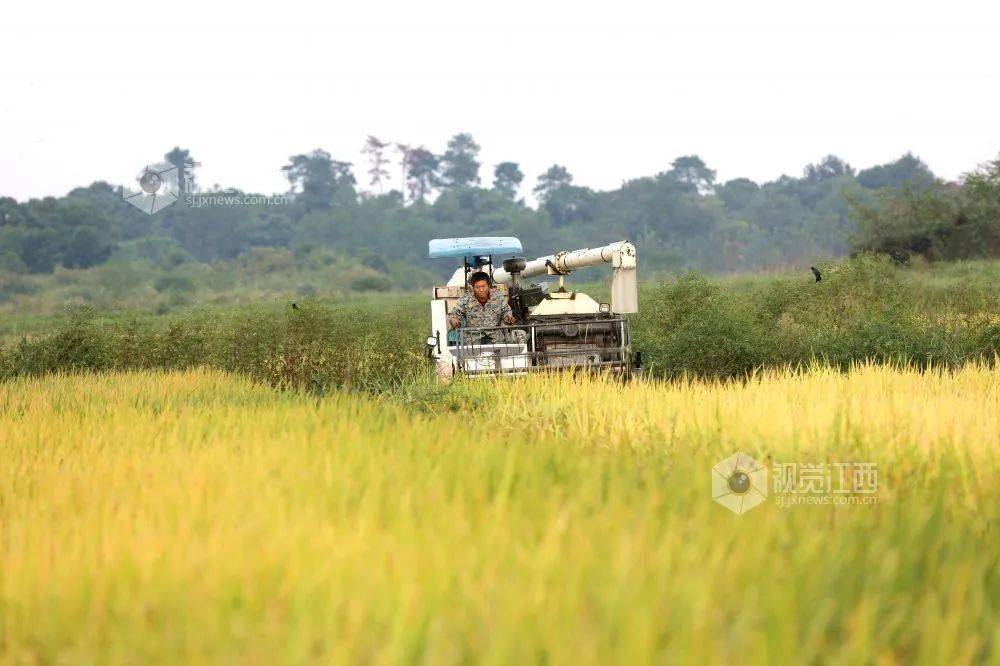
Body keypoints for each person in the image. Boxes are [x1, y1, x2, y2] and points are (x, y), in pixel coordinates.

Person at [448, 271, 527, 344]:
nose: (481, 290)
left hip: (495, 337)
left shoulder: (498, 297)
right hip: (473, 338)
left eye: (483, 286)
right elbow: (454, 315)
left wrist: (508, 318)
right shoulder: (465, 300)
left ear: (489, 286)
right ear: (473, 287)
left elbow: (506, 311)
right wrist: (454, 320)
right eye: (477, 287)